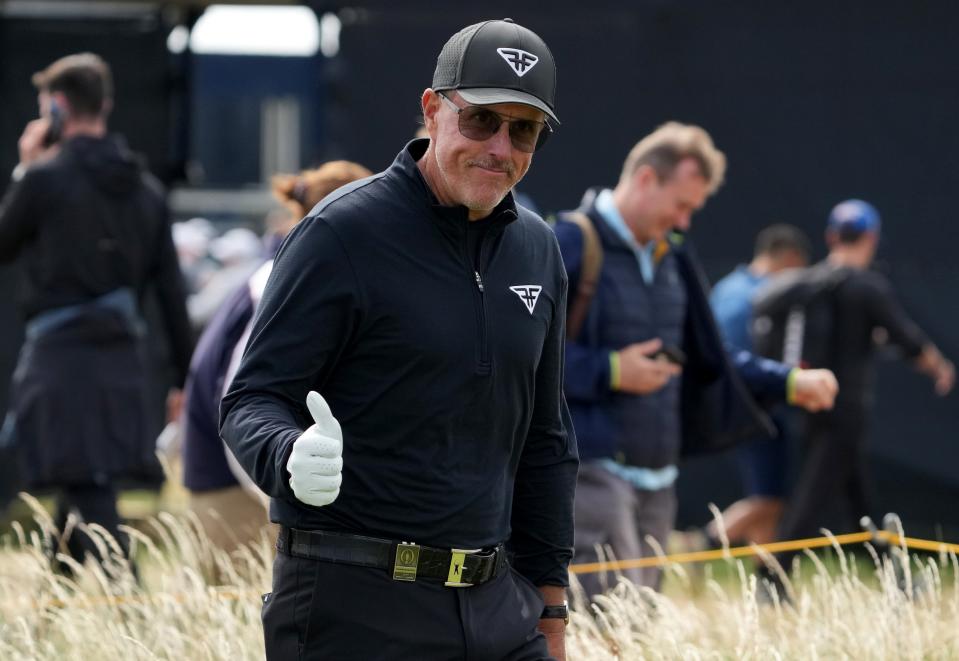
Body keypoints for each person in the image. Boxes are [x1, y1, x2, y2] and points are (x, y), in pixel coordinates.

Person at [220, 19, 577, 660]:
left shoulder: (537, 247)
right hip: (354, 608)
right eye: (482, 120)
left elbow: (546, 441)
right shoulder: (341, 233)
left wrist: (550, 611)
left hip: (498, 608)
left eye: (523, 130)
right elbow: (249, 402)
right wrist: (286, 454)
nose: (500, 146)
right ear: (432, 110)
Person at [553, 122, 838, 597]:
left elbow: (709, 355)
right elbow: (520, 354)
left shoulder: (673, 255)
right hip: (589, 472)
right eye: (682, 205)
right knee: (602, 622)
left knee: (638, 628)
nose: (686, 221)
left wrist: (786, 382)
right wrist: (611, 370)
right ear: (646, 179)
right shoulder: (567, 242)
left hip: (659, 479)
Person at [0, 53, 192, 570]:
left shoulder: (43, 181)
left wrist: (25, 168)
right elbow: (171, 294)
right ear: (104, 105)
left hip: (61, 360)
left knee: (87, 481)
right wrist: (183, 379)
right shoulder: (147, 192)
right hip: (122, 361)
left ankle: (129, 607)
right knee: (84, 478)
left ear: (58, 107)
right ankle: (59, 606)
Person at [181, 160, 371, 557]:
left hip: (243, 482)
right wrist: (279, 491)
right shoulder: (278, 281)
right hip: (235, 491)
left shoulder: (289, 270)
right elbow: (240, 400)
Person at [755, 200, 954, 572]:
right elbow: (907, 339)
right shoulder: (866, 287)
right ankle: (773, 571)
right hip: (847, 410)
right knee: (813, 499)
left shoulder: (813, 282)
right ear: (872, 238)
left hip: (814, 403)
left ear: (832, 236)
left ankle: (892, 575)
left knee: (857, 499)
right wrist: (939, 368)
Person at [707, 224, 811, 546]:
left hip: (741, 410)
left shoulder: (729, 288)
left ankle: (767, 580)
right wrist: (791, 379)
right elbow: (738, 360)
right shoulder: (755, 297)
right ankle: (702, 542)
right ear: (791, 259)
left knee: (768, 496)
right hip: (753, 411)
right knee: (769, 497)